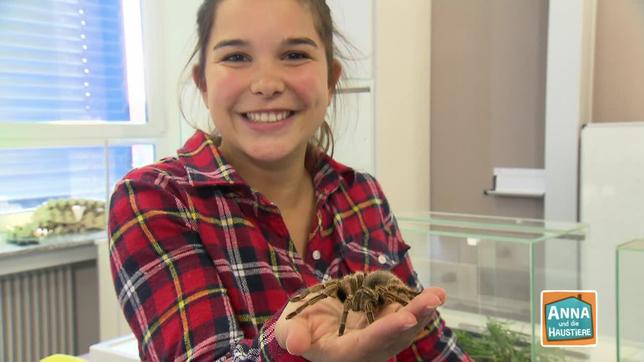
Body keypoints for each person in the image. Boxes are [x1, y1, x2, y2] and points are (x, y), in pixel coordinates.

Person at [108, 0, 471, 361]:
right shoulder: (155, 198)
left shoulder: (362, 194)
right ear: (203, 82)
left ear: (331, 80)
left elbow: (428, 341)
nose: (267, 84)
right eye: (236, 57)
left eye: (295, 54)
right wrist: (292, 350)